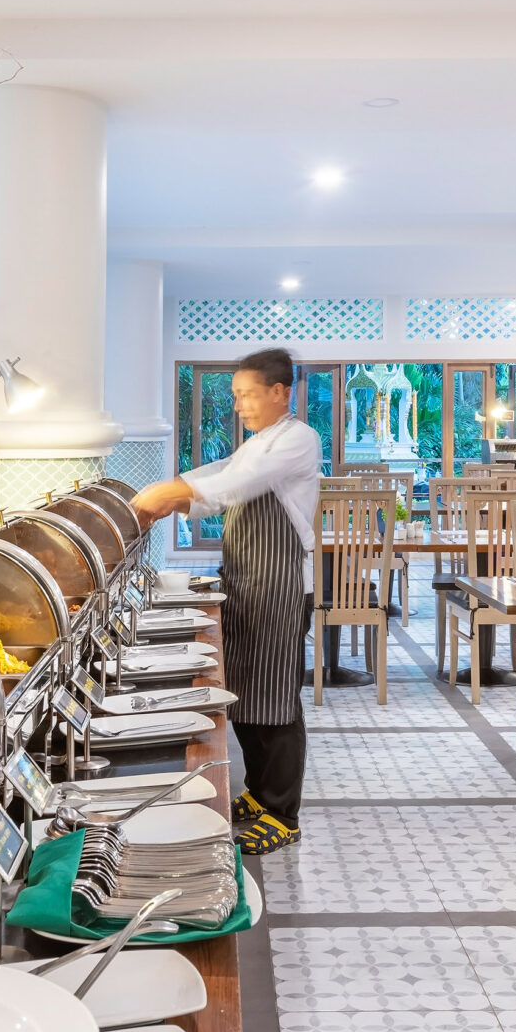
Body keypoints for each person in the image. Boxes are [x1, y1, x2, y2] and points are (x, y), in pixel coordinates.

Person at [130, 348, 319, 855]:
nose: (239, 405)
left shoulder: (298, 439)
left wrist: (169, 494)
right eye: (235, 397)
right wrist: (169, 492)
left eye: (246, 394)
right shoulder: (260, 442)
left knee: (277, 699)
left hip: (279, 588)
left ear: (280, 392)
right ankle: (259, 795)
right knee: (250, 695)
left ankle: (284, 813)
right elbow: (223, 468)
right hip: (247, 582)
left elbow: (236, 485)